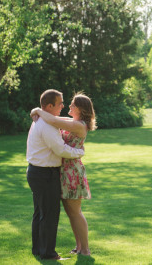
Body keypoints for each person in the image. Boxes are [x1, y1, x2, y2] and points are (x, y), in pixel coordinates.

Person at [31, 92, 97, 257]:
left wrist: (38, 110)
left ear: (80, 109)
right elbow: (52, 119)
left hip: (72, 172)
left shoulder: (79, 125)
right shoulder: (73, 122)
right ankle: (79, 247)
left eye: (72, 104)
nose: (68, 106)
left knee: (75, 212)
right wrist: (37, 109)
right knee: (71, 213)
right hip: (63, 171)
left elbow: (53, 120)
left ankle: (86, 249)